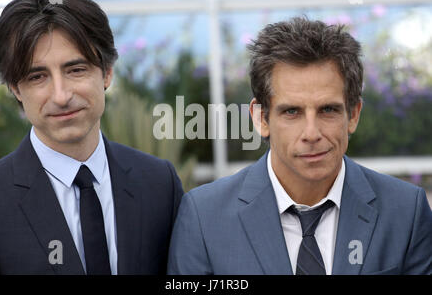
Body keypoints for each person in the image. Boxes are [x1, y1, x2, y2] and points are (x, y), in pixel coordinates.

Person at [167, 17, 432, 275]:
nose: (311, 133)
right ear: (261, 118)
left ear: (353, 115)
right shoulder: (204, 218)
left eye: (328, 110)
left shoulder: (406, 211)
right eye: (292, 112)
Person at [0, 0, 183, 275]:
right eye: (37, 76)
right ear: (15, 88)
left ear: (107, 71)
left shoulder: (158, 184)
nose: (61, 95)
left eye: (75, 70)